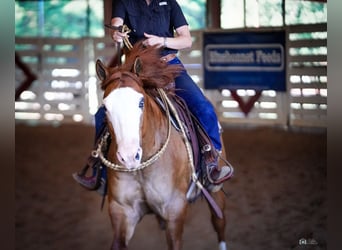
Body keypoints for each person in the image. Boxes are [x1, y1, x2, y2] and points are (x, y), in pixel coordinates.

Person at [73, 0, 233, 195]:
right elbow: (116, 23)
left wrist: (163, 41)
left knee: (203, 107)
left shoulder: (170, 4)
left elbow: (186, 40)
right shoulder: (125, 2)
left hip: (169, 66)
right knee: (102, 114)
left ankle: (211, 162)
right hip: (136, 71)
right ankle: (100, 168)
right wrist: (115, 33)